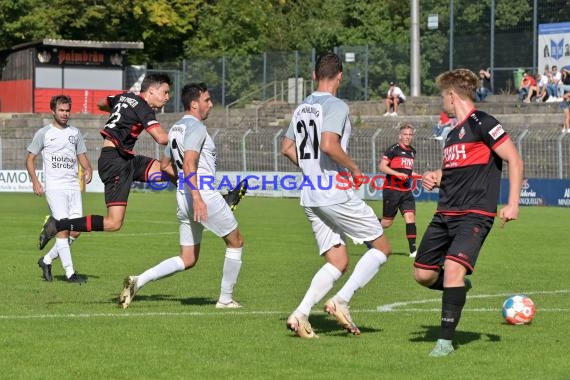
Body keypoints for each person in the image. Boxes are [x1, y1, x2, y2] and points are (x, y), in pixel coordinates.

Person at [281, 52, 392, 338]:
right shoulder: (336, 105)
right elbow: (329, 145)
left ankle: (301, 313)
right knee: (381, 248)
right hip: (333, 191)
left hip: (310, 195)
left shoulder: (303, 107)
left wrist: (309, 168)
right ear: (340, 76)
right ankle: (341, 301)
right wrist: (354, 169)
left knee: (338, 261)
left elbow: (287, 148)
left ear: (315, 75)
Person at [414, 68, 523, 357]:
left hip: (474, 214)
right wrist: (436, 175)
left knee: (451, 269)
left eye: (442, 97)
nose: (442, 103)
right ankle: (459, 286)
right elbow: (453, 171)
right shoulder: (451, 135)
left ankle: (445, 343)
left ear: (452, 95)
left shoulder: (483, 122)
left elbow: (513, 158)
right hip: (445, 213)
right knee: (422, 275)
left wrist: (513, 203)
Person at [118, 83, 244, 309]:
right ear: (194, 104)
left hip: (182, 194)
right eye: (207, 100)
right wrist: (197, 197)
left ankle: (139, 280)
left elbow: (165, 166)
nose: (210, 104)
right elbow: (188, 162)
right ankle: (225, 300)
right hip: (201, 193)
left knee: (188, 258)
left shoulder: (176, 128)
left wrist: (186, 188)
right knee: (236, 242)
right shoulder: (197, 128)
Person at [37, 74, 172, 250]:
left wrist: (121, 112)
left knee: (170, 170)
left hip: (126, 158)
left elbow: (101, 103)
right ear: (152, 90)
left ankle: (198, 200)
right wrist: (186, 137)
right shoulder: (143, 107)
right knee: (113, 223)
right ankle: (58, 225)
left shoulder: (125, 96)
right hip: (115, 162)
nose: (167, 97)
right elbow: (161, 138)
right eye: (165, 92)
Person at [26, 95, 93, 283]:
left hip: (73, 185)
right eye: (61, 110)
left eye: (67, 110)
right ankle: (70, 273)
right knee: (63, 229)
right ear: (53, 111)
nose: (65, 114)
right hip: (55, 187)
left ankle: (46, 260)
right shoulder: (44, 133)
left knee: (77, 230)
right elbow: (29, 159)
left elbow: (81, 155)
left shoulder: (75, 133)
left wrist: (88, 168)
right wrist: (35, 181)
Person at [378, 124, 418, 258]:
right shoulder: (393, 149)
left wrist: (421, 176)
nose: (407, 137)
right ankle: (363, 229)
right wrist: (397, 174)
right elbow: (382, 167)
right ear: (400, 136)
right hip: (392, 190)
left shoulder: (412, 151)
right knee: (386, 223)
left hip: (406, 190)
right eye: (405, 134)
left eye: (410, 134)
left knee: (410, 217)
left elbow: (408, 171)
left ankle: (413, 250)